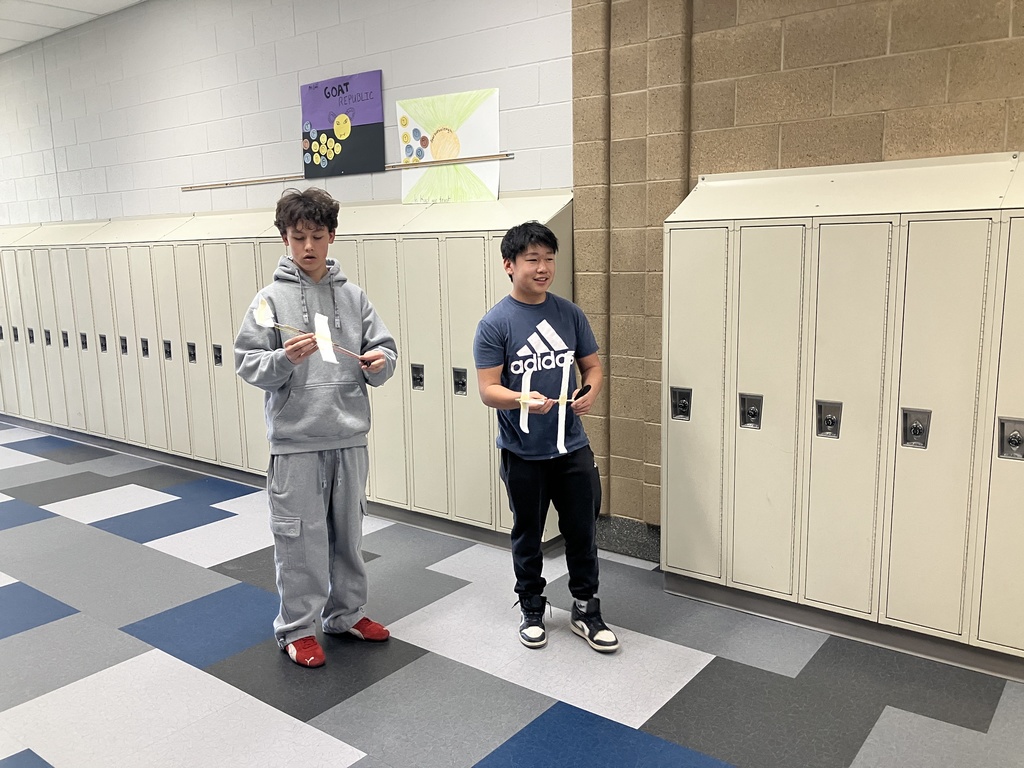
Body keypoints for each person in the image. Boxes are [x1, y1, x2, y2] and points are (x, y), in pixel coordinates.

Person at [235, 187, 397, 668]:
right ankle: (296, 629)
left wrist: (377, 363)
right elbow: (247, 363)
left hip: (348, 437)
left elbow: (386, 354)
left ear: (332, 237)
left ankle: (346, 614)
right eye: (298, 237)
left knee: (348, 535)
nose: (308, 246)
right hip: (296, 443)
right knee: (299, 539)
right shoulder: (269, 300)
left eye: (318, 236)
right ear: (284, 239)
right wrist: (283, 358)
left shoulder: (353, 296)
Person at [472, 220, 618, 653]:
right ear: (509, 265)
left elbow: (592, 366)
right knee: (528, 532)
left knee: (582, 531)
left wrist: (591, 390)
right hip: (523, 451)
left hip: (571, 446)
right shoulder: (495, 323)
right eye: (533, 259)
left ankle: (586, 609)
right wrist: (520, 399)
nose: (543, 268)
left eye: (549, 259)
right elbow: (487, 390)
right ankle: (532, 607)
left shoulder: (569, 314)